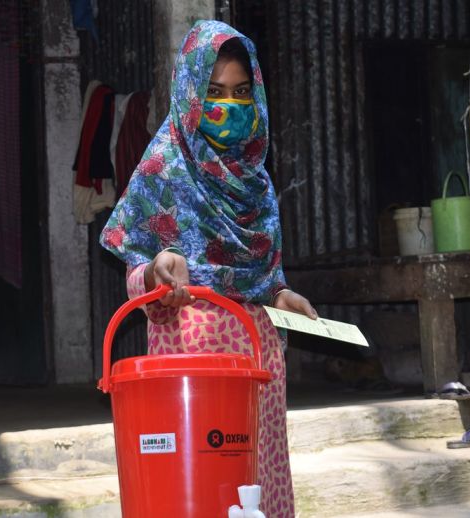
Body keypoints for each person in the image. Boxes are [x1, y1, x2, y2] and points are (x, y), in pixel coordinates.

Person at [100, 19, 316, 517]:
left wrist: (282, 297)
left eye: (242, 92)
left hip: (258, 360)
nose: (230, 106)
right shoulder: (163, 168)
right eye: (215, 92)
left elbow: (263, 279)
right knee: (199, 481)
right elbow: (138, 272)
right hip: (189, 359)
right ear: (191, 93)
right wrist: (158, 270)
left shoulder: (255, 180)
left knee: (258, 480)